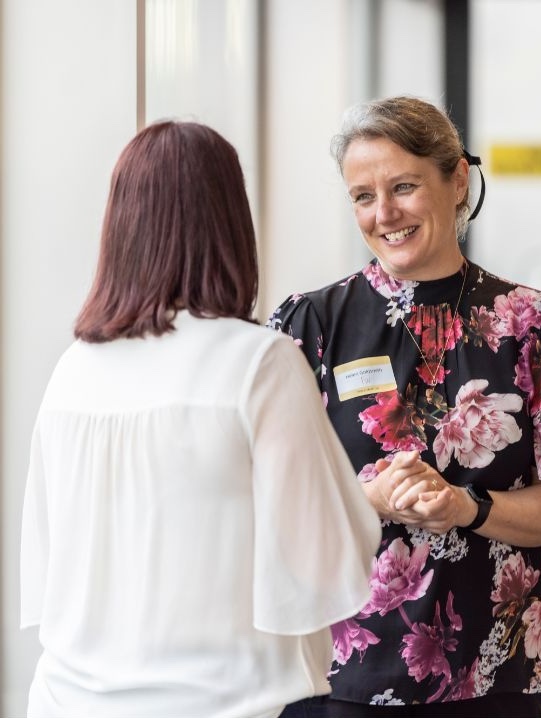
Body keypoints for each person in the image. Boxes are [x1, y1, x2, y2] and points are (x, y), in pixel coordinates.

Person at [268, 96, 541, 718]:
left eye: (404, 186)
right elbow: (263, 500)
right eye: (362, 196)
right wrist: (364, 501)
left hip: (494, 679)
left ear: (457, 179)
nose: (385, 214)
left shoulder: (536, 327)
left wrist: (467, 506)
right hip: (337, 676)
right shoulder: (307, 326)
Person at [20, 120, 382, 718]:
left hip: (68, 700)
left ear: (119, 226)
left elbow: (49, 561)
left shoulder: (72, 370)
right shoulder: (258, 362)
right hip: (232, 703)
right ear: (231, 223)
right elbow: (327, 566)